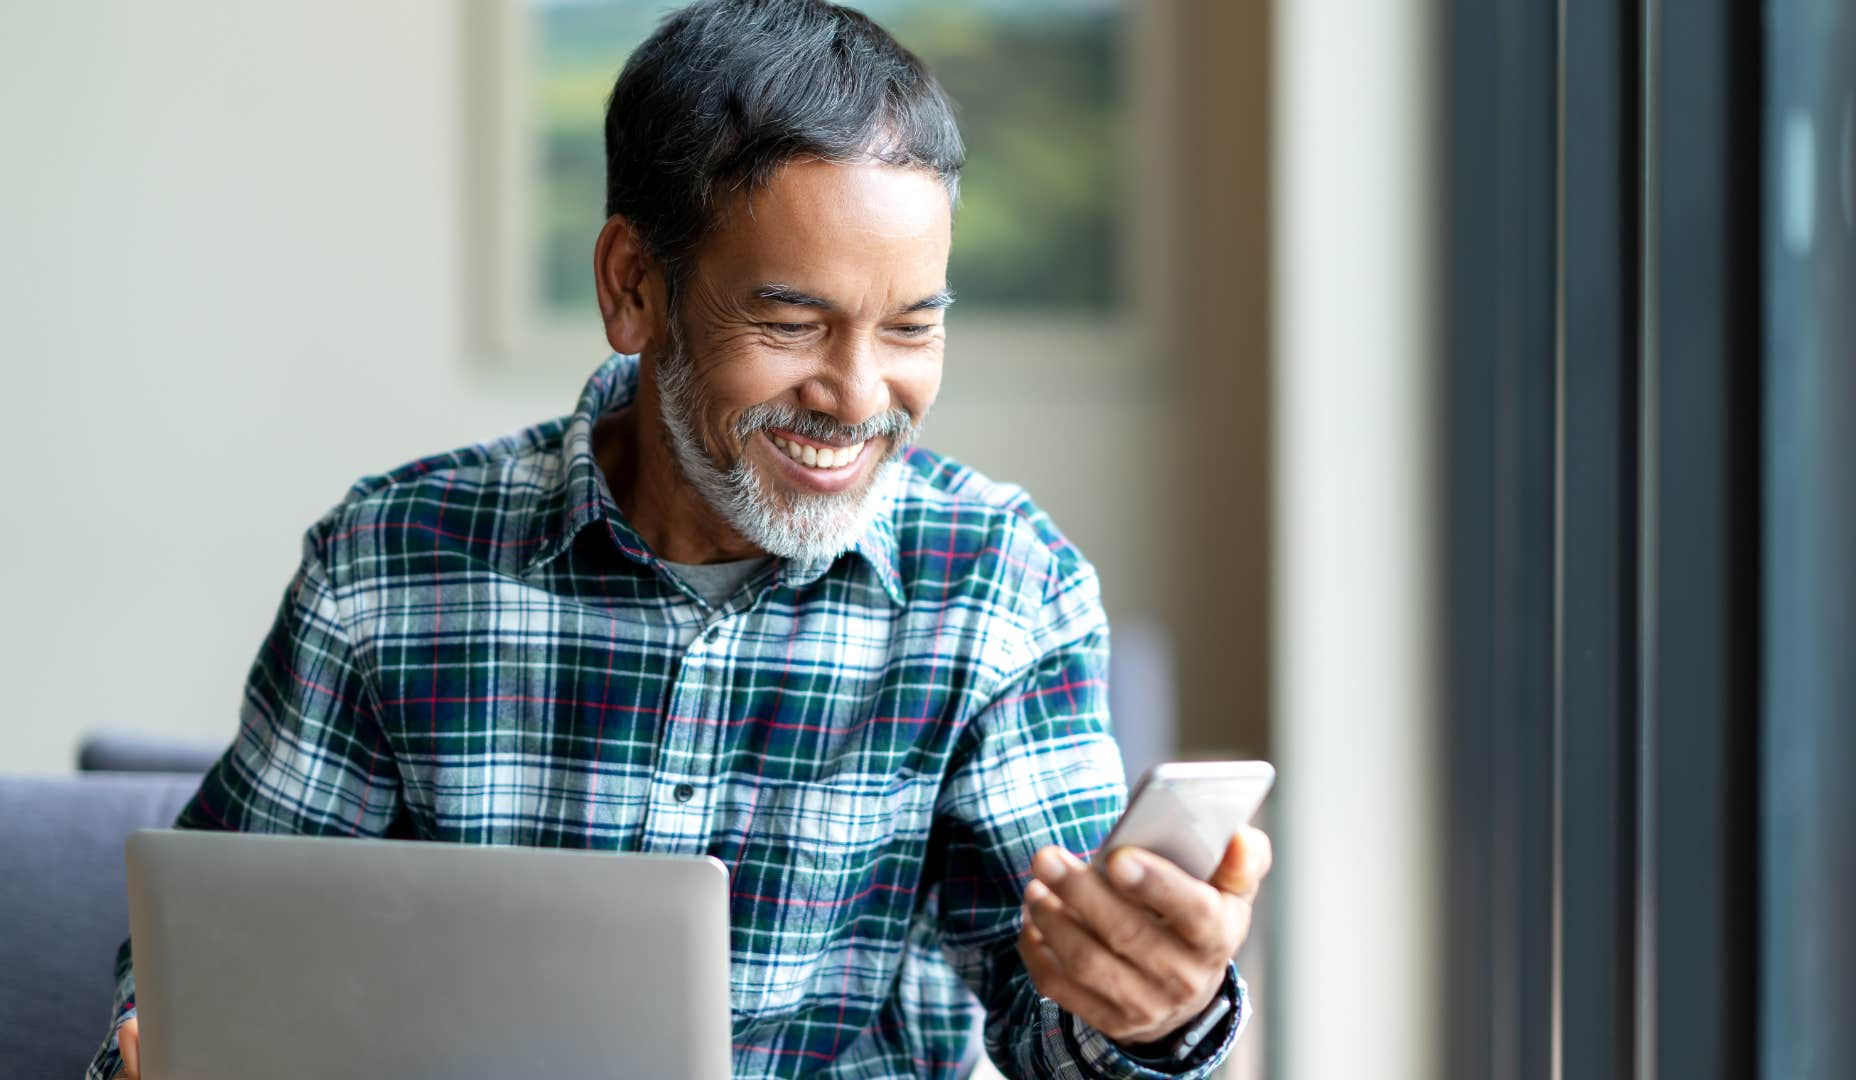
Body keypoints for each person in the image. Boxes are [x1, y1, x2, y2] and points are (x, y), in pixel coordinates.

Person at [89, 1, 1270, 1076]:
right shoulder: (388, 569)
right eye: (791, 320)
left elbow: (1055, 1037)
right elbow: (210, 963)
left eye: (912, 326)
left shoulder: (1002, 587)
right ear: (633, 288)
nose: (858, 398)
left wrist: (1154, 1010)